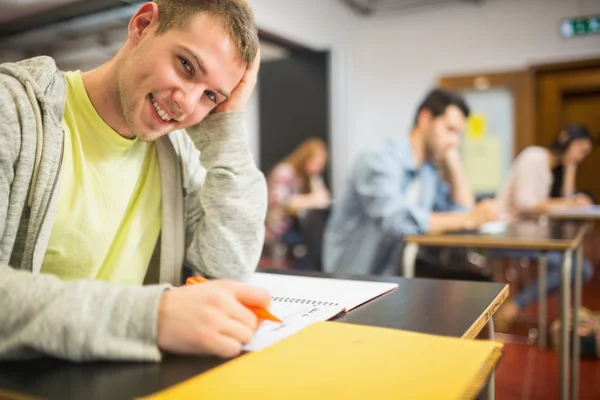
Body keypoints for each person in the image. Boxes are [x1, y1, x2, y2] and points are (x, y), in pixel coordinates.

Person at [0, 0, 272, 362]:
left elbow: (224, 274)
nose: (186, 105)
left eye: (210, 95)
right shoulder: (12, 111)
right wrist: (151, 317)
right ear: (143, 25)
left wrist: (226, 132)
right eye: (186, 66)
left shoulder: (175, 154)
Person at [323, 89, 498, 276]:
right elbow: (396, 220)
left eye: (459, 135)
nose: (455, 141)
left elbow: (459, 214)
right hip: (357, 278)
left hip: (399, 275)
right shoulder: (378, 159)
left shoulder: (427, 172)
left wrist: (454, 162)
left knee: (475, 281)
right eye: (450, 130)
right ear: (425, 119)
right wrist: (468, 219)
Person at [493, 124, 596, 330]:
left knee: (577, 265)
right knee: (578, 267)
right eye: (580, 150)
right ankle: (515, 305)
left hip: (526, 235)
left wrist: (570, 166)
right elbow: (526, 203)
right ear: (567, 140)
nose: (580, 156)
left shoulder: (550, 169)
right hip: (507, 234)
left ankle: (522, 305)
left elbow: (565, 200)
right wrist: (570, 203)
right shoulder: (535, 157)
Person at [265, 138, 330, 266]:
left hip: (299, 227)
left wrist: (313, 181)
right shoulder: (285, 172)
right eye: (316, 162)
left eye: (321, 164)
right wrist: (311, 199)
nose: (319, 167)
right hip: (280, 228)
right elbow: (282, 204)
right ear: (306, 157)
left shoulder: (310, 177)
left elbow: (324, 200)